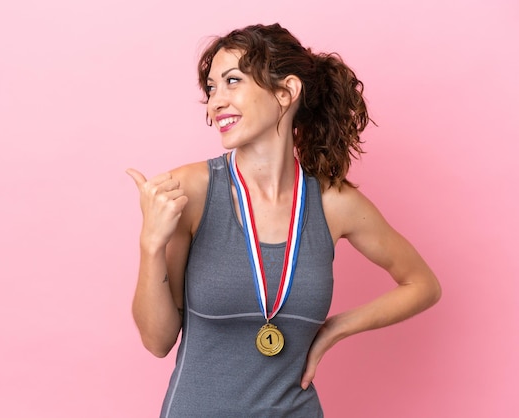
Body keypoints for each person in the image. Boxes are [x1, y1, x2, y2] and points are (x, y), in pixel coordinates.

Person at [126, 23, 441, 418]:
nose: (215, 102)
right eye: (211, 88)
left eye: (232, 81)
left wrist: (335, 328)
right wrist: (150, 244)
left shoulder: (333, 203)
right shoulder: (190, 190)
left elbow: (423, 284)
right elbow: (157, 341)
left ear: (286, 91)